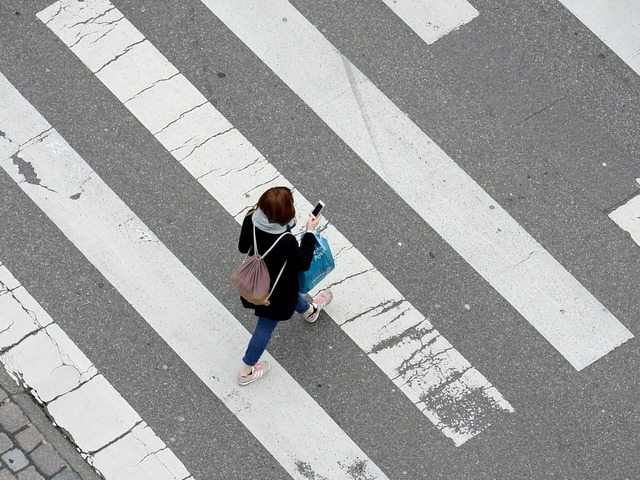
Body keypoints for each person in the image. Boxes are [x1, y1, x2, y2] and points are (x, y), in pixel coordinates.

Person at [237, 186, 333, 386]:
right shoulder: (286, 240)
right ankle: (246, 370)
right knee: (265, 326)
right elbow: (304, 262)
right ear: (284, 214)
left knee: (292, 299)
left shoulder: (250, 218)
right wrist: (309, 231)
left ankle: (309, 311)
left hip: (255, 282)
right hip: (276, 292)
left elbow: (243, 247)